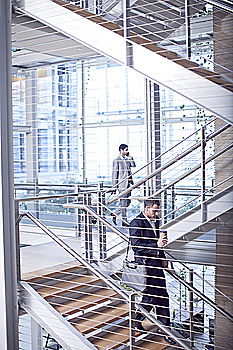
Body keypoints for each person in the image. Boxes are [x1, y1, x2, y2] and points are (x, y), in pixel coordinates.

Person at [129, 199, 175, 345]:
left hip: (156, 265)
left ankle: (165, 329)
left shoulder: (156, 221)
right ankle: (137, 319)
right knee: (151, 298)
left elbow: (158, 243)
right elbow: (136, 247)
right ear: (146, 209)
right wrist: (156, 245)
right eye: (154, 211)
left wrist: (163, 258)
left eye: (158, 211)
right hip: (145, 267)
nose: (157, 213)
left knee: (163, 297)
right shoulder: (135, 223)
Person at [112, 144, 136, 226]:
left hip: (129, 184)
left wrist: (130, 157)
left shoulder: (127, 159)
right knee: (123, 203)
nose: (127, 151)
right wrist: (114, 187)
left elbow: (133, 165)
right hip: (122, 185)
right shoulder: (116, 160)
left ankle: (114, 213)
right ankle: (124, 222)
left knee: (128, 202)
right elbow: (115, 174)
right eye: (126, 150)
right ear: (121, 150)